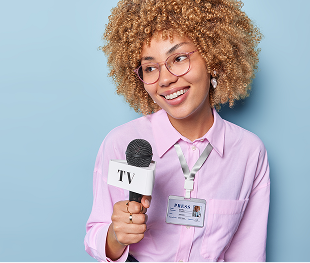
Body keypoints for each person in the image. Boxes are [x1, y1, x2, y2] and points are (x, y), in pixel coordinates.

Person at [84, 0, 270, 262]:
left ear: (213, 59)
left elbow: (247, 253)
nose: (166, 78)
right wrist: (116, 235)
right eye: (150, 68)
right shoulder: (122, 143)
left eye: (179, 58)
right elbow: (96, 235)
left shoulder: (249, 152)